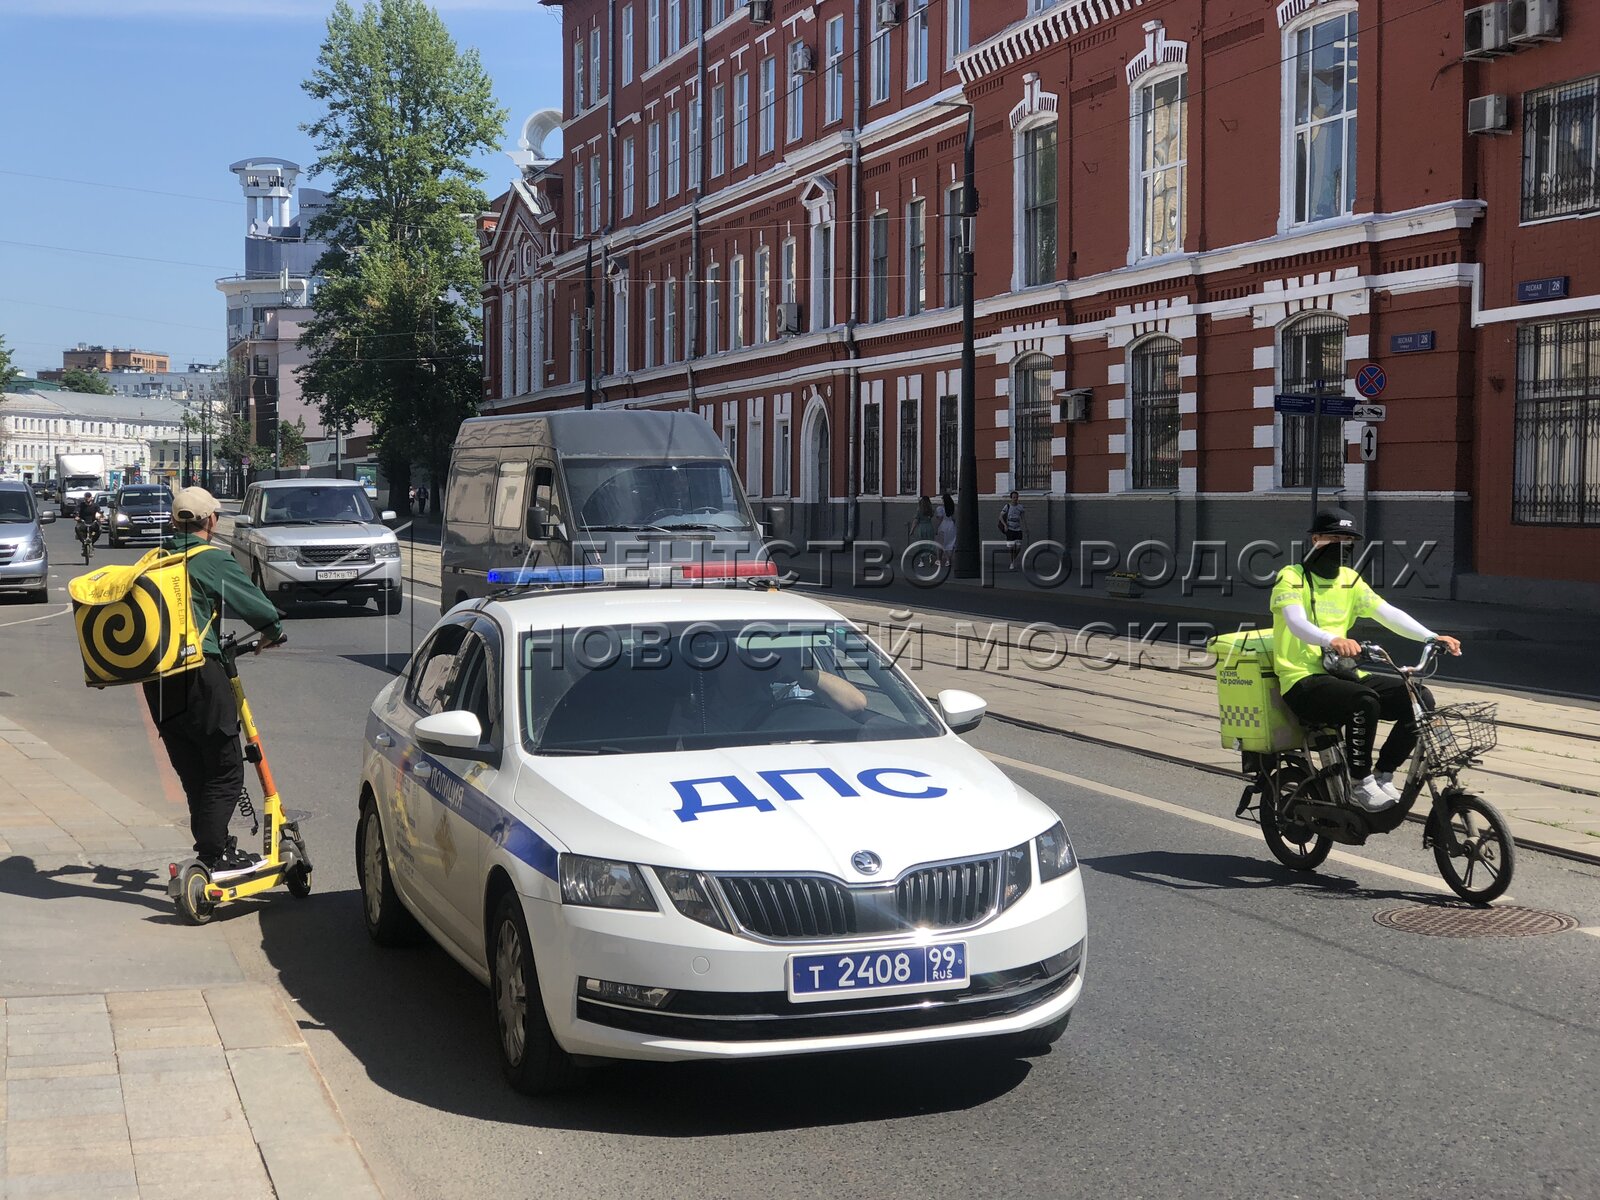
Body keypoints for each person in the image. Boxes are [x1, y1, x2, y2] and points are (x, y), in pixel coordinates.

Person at [1270, 506, 1461, 813]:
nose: (1342, 545)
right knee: (1364, 700)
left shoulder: (1349, 579)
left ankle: (1384, 774)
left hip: (1342, 675)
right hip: (1302, 680)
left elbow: (1386, 613)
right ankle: (1361, 781)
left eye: (1348, 540)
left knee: (1419, 697)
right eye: (1334, 537)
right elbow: (1296, 622)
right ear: (1315, 538)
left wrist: (1430, 636)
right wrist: (1331, 639)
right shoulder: (1291, 577)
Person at [143, 487, 287, 872]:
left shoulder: (154, 559)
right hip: (200, 675)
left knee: (194, 771)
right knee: (225, 770)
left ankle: (217, 847)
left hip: (157, 681)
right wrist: (271, 631)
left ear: (174, 521)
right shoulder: (212, 560)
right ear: (210, 521)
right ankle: (210, 855)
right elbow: (259, 609)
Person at [998, 490, 1028, 571]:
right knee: (1011, 547)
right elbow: (1000, 517)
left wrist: (1026, 528)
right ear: (1011, 498)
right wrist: (1005, 525)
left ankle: (1013, 560)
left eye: (1016, 497)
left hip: (1018, 529)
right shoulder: (1007, 506)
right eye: (1014, 497)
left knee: (1018, 547)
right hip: (1010, 529)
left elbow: (1023, 518)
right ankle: (1012, 562)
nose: (1015, 499)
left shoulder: (1020, 507)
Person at [909, 496, 937, 571]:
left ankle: (922, 562)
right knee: (930, 542)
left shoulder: (919, 511)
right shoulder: (931, 510)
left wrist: (912, 530)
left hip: (921, 527)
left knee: (921, 544)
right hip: (929, 527)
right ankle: (930, 554)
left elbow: (915, 521)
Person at [935, 492, 957, 570]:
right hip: (951, 526)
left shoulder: (940, 509)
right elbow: (954, 519)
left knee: (940, 544)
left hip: (943, 526)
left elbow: (939, 519)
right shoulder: (953, 508)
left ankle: (939, 560)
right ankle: (948, 560)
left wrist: (936, 528)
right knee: (950, 544)